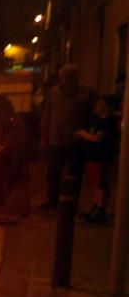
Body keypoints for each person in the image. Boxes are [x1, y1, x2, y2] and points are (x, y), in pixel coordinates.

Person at [38, 64, 94, 208]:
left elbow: (93, 115)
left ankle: (72, 201)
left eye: (70, 77)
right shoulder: (54, 92)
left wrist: (88, 135)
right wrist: (44, 136)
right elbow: (47, 114)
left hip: (76, 140)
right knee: (53, 173)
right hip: (56, 139)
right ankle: (53, 199)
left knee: (75, 173)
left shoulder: (86, 93)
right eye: (64, 77)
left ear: (76, 77)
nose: (67, 80)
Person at [75, 94, 120, 223]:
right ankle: (96, 207)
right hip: (95, 157)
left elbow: (97, 138)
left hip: (102, 157)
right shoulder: (100, 120)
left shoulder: (108, 122)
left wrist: (83, 134)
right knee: (97, 184)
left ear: (109, 107)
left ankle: (100, 210)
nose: (97, 106)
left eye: (101, 104)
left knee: (101, 184)